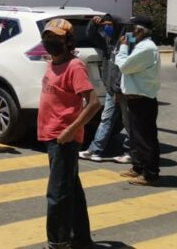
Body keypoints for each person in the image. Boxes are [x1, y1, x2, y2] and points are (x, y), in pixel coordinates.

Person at [37, 18, 101, 249]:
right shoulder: (52, 62)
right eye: (47, 37)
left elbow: (93, 103)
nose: (50, 41)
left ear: (68, 41)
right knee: (71, 189)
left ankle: (57, 243)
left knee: (57, 195)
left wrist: (70, 129)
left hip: (63, 138)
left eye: (56, 38)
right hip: (50, 135)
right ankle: (82, 240)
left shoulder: (75, 66)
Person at [115, 15, 162, 187]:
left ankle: (151, 175)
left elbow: (124, 66)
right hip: (136, 99)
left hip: (143, 99)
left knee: (145, 139)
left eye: (132, 29)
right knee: (135, 137)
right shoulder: (141, 46)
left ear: (140, 31)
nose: (129, 33)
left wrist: (124, 47)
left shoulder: (146, 48)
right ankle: (138, 167)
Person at [80, 14, 132, 163]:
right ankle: (94, 151)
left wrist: (117, 89)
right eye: (104, 26)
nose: (106, 28)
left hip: (123, 90)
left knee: (127, 122)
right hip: (111, 89)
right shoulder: (107, 41)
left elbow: (127, 67)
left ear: (117, 25)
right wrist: (93, 23)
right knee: (106, 119)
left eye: (109, 25)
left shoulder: (127, 40)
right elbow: (91, 34)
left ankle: (131, 152)